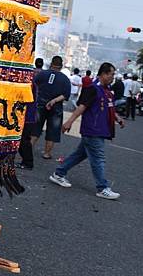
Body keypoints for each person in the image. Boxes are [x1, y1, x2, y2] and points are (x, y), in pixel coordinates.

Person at [50, 62, 125, 200]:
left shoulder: (106, 90)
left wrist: (118, 118)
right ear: (103, 74)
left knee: (79, 154)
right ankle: (102, 188)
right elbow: (82, 107)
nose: (113, 77)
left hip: (100, 130)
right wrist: (69, 121)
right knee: (98, 159)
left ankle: (59, 173)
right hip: (93, 130)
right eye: (111, 74)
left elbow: (109, 108)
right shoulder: (93, 89)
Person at [31, 56, 71, 159]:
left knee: (35, 128)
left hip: (40, 104)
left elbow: (33, 86)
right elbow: (65, 95)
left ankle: (29, 149)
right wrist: (54, 101)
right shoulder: (65, 79)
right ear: (61, 66)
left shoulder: (42, 74)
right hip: (56, 107)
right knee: (53, 130)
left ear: (51, 64)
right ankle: (47, 153)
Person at [17, 57, 44, 169]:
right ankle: (26, 161)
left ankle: (28, 162)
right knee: (22, 140)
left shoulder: (28, 83)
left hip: (27, 115)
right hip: (27, 114)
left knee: (24, 140)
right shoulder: (30, 81)